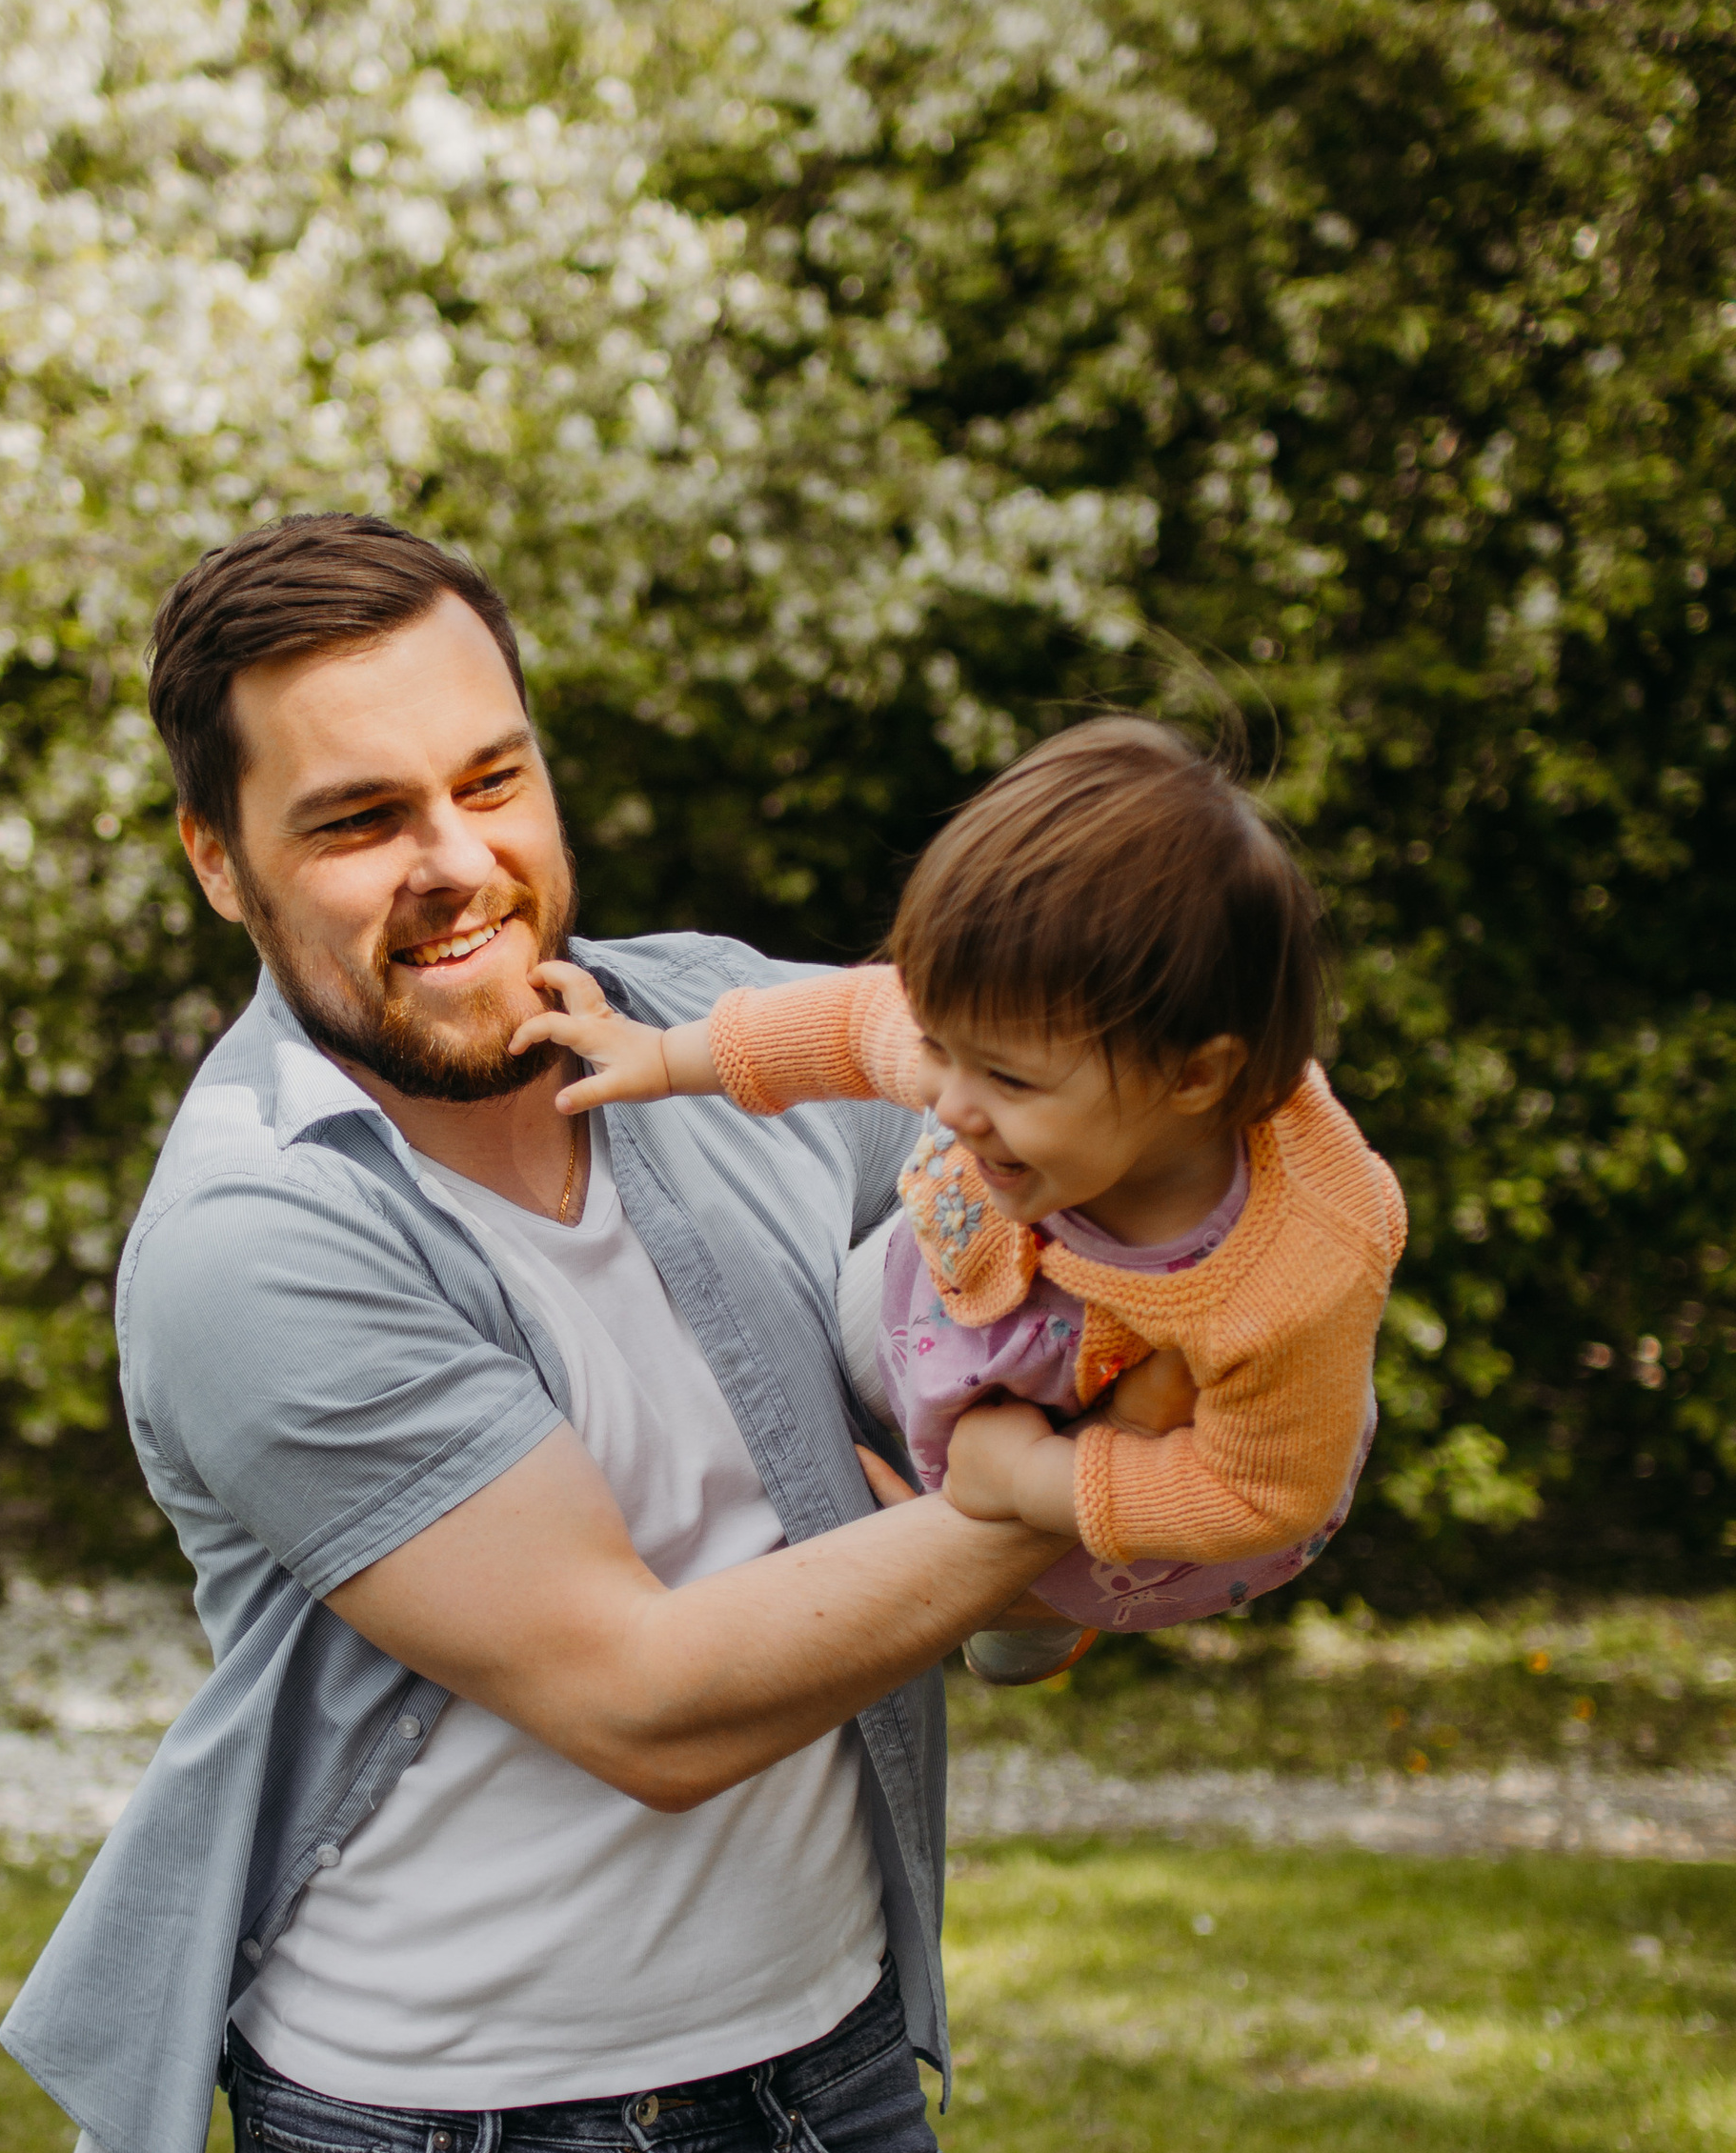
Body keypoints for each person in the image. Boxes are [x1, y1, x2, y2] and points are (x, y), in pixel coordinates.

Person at [1, 513, 1102, 2153]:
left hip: (816, 2152)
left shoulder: (744, 1042)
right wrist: (1058, 1497)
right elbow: (649, 1695)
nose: (459, 861)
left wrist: (1106, 1401)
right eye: (359, 817)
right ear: (221, 863)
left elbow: (1083, 1201)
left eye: (490, 777)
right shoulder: (258, 1241)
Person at [516, 715, 1407, 1685]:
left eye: (1006, 1082)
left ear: (1195, 1078)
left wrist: (1037, 1485)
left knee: (1059, 1570)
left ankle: (1029, 1612)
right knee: (818, 1351)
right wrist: (663, 1057)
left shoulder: (1295, 1272)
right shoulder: (1005, 1037)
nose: (946, 1101)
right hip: (957, 1299)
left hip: (1136, 1477)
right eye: (940, 1048)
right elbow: (856, 1023)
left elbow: (1258, 1493)